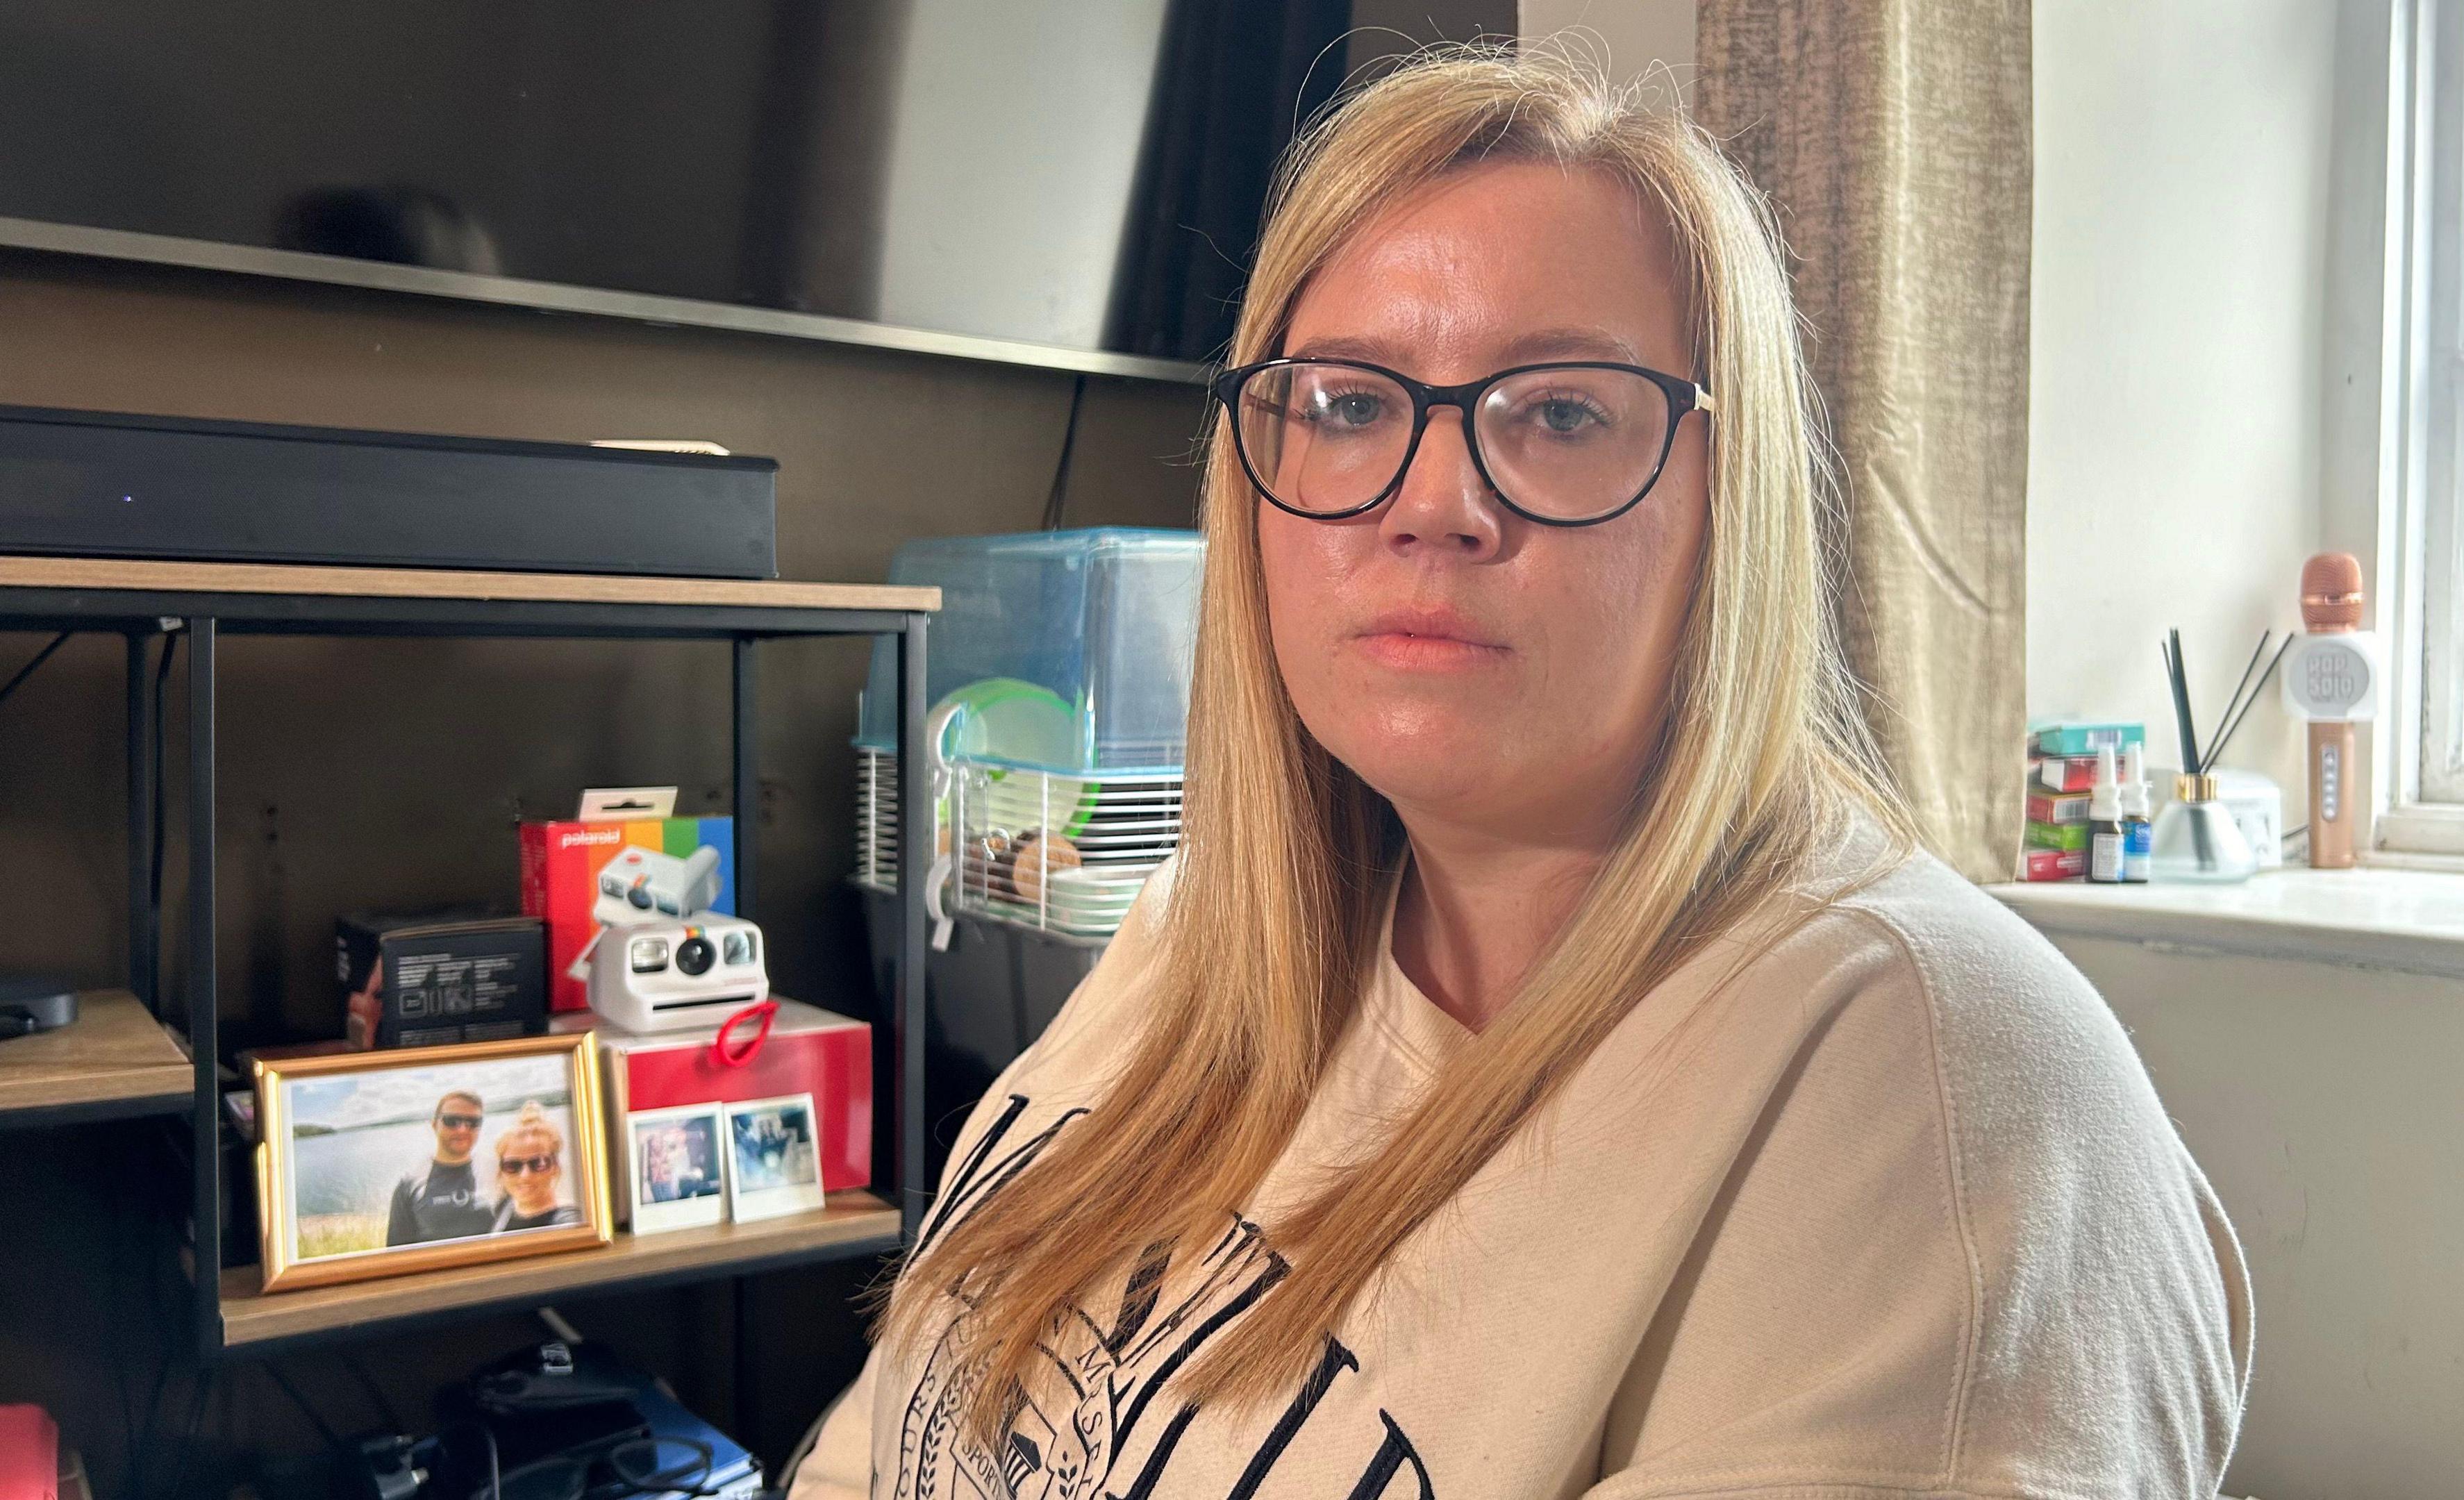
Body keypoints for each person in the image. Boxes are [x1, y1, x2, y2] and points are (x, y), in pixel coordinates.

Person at [798, 48, 2250, 1500]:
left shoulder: (1929, 1084)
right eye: (1352, 404)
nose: (1434, 504)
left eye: (1559, 413)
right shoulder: (1198, 931)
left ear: (1723, 500)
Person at [383, 1089, 497, 1246]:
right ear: (435, 1125)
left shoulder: (497, 1172)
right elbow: (396, 1253)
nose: (463, 1129)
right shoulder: (410, 1184)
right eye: (452, 1121)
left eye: (473, 1122)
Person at [488, 1101, 581, 1232]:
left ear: (555, 1167)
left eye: (538, 1164)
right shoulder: (505, 1207)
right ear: (501, 1171)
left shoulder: (567, 1222)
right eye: (512, 1166)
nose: (525, 1175)